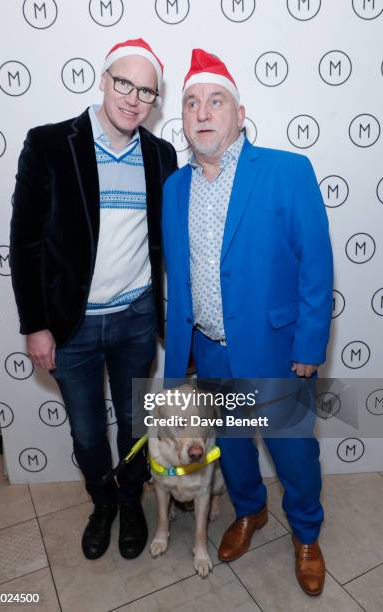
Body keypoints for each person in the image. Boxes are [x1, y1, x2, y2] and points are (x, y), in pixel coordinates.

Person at [162, 49, 333, 595]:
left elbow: (317, 264)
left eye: (215, 101)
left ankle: (306, 534)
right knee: (232, 449)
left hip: (278, 351)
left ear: (240, 113)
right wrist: (179, 355)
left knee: (293, 451)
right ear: (183, 118)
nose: (203, 112)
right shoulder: (174, 189)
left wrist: (310, 341)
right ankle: (249, 513)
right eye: (191, 103)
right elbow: (178, 278)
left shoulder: (287, 171)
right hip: (210, 353)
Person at [10, 38, 177, 561]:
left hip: (135, 317)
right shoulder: (50, 143)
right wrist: (35, 324)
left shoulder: (160, 154)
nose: (133, 98)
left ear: (154, 99)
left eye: (145, 90)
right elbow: (26, 241)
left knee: (132, 424)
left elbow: (165, 239)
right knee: (86, 430)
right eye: (124, 83)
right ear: (103, 79)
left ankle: (131, 502)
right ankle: (101, 502)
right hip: (71, 325)